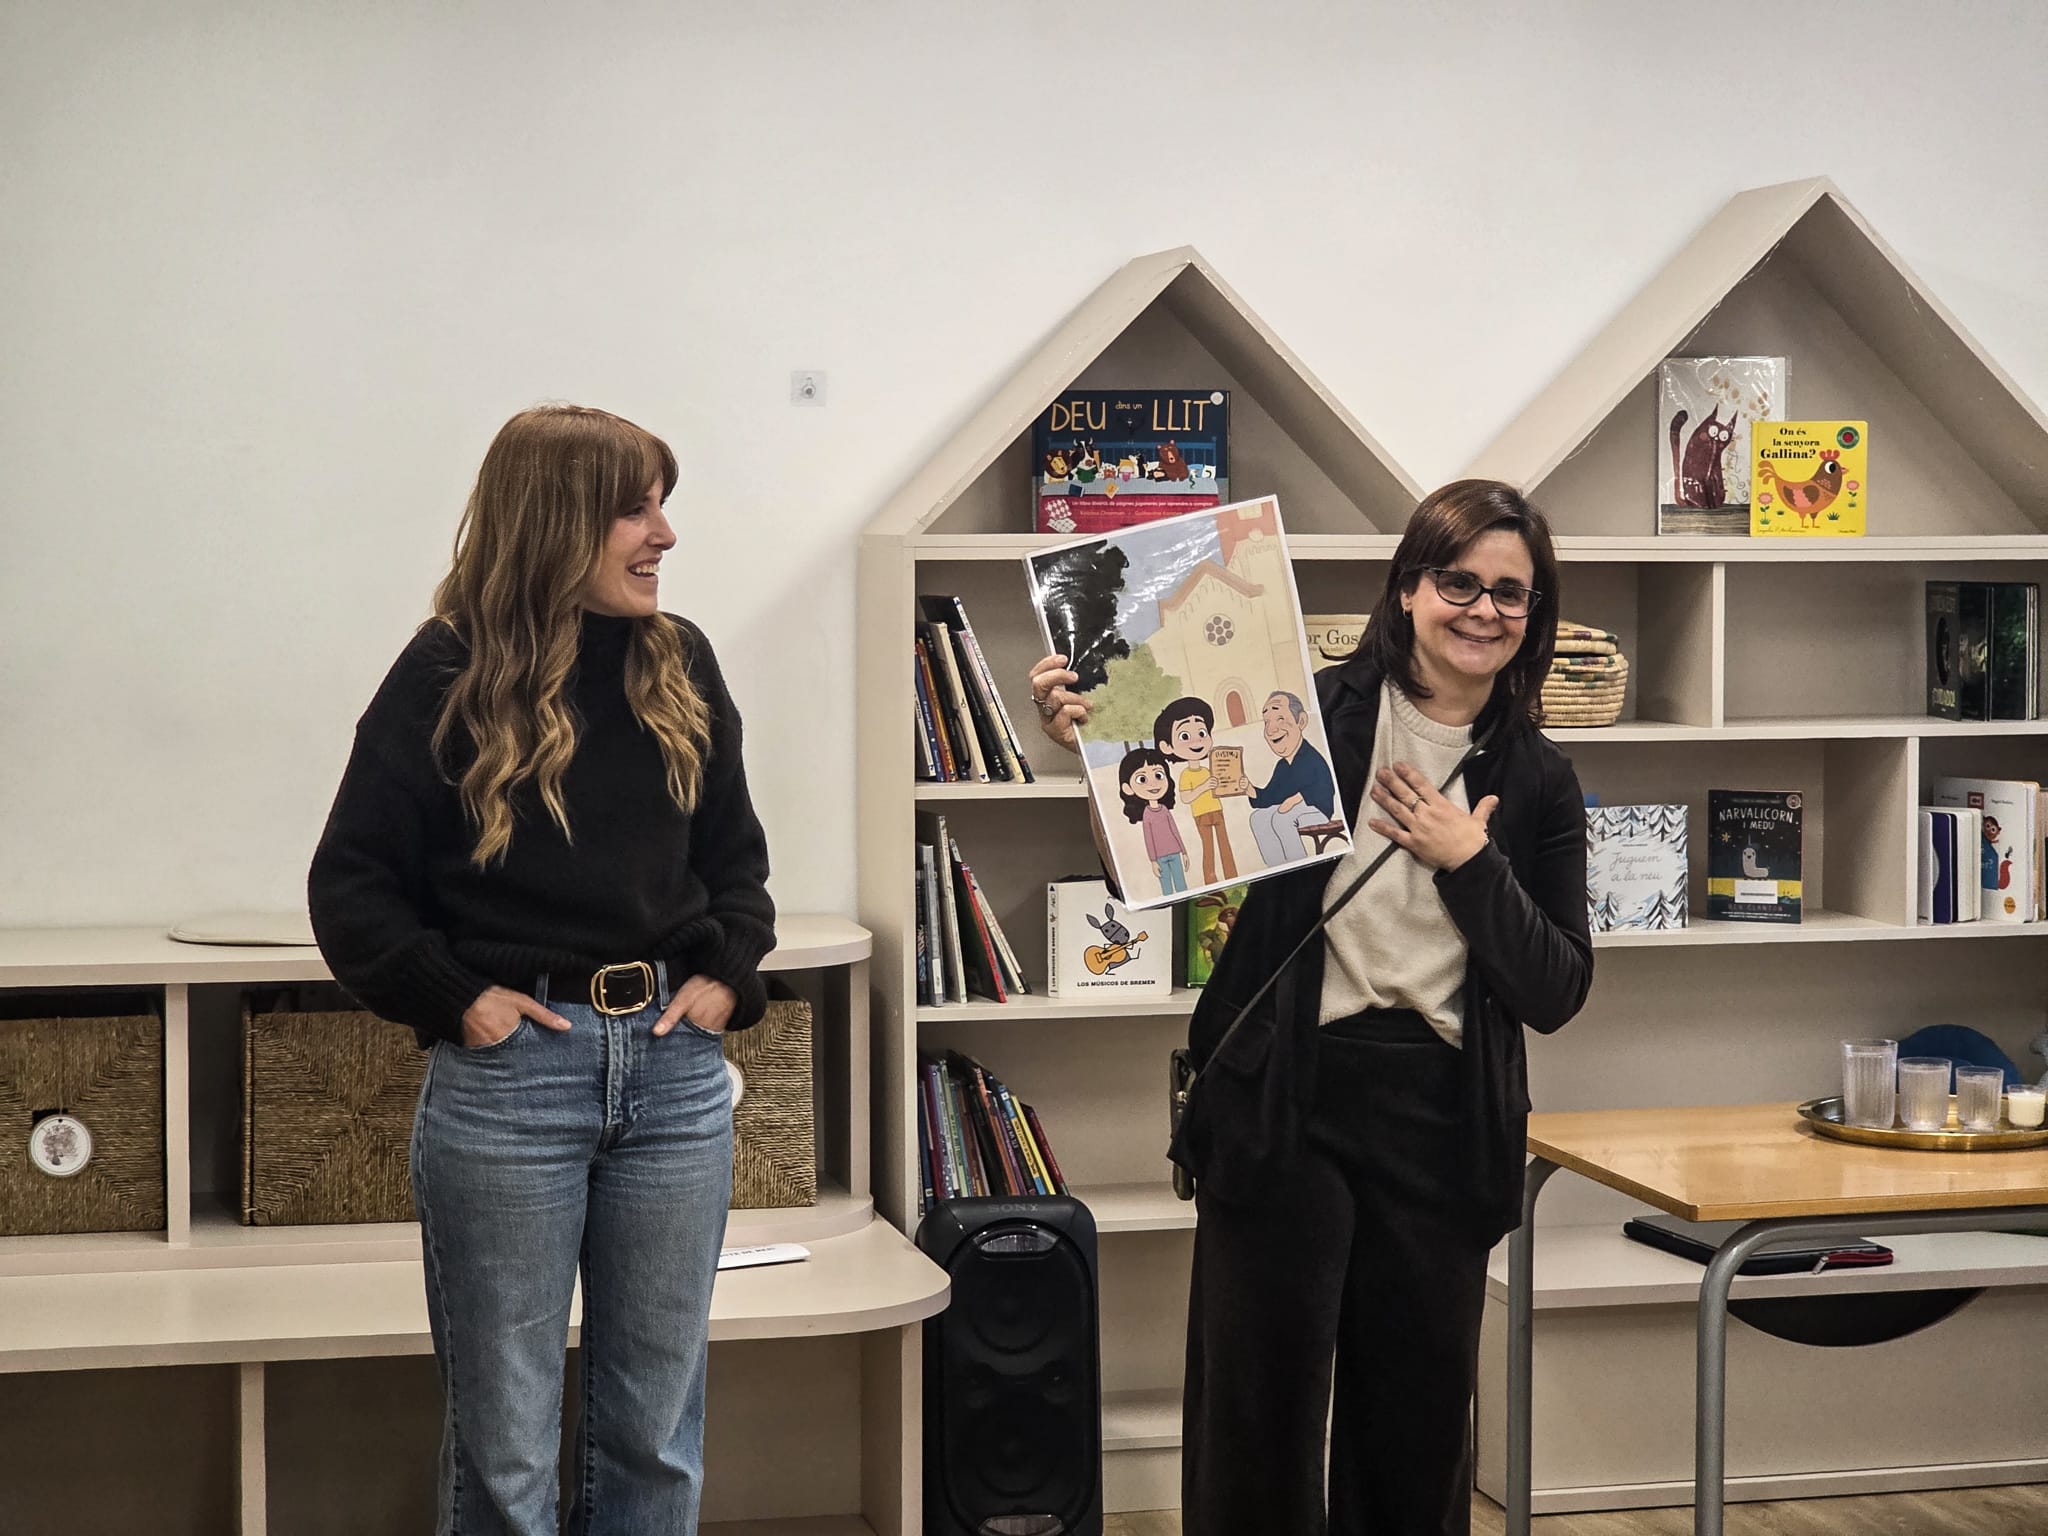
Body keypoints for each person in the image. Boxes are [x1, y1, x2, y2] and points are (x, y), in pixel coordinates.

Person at [1029, 479, 1592, 1536]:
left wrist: (1468, 863)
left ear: (1534, 616)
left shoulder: (1538, 780)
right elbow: (1162, 852)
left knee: (1414, 1425)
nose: (1481, 610)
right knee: (1257, 1417)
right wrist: (1096, 748)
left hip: (1437, 1114)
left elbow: (1555, 987)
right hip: (1286, 1094)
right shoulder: (1303, 712)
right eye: (1456, 582)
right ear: (1407, 589)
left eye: (1509, 594)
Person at [308, 404, 775, 1536]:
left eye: (663, 505)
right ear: (555, 521)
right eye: (635, 508)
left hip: (673, 1076)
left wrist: (726, 976)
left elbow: (736, 867)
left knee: (654, 1437)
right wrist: (460, 1003)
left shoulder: (680, 660)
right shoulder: (444, 672)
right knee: (505, 1449)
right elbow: (352, 888)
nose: (663, 534)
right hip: (514, 1082)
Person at [1242, 689, 1338, 867]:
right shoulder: (1282, 766)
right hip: (1291, 810)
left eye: (1280, 719)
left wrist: (1296, 799)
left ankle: (1300, 866)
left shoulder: (1312, 757)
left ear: (1301, 721)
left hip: (1318, 810)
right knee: (1258, 817)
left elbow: (1325, 786)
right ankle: (1276, 867)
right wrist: (1249, 788)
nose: (1272, 729)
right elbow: (1271, 796)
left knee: (1282, 818)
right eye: (1267, 722)